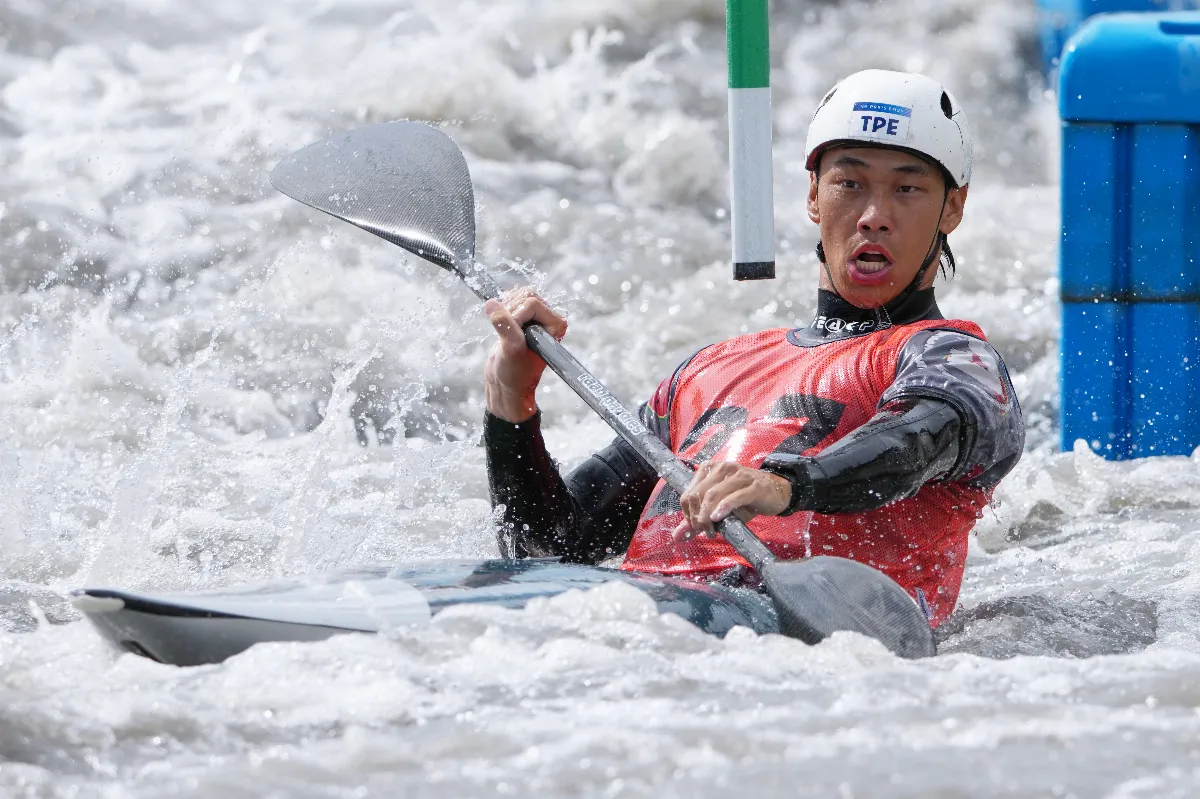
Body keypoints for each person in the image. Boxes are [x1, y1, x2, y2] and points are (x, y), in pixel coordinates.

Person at [481, 70, 1025, 626]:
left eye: (907, 189)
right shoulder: (707, 371)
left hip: (783, 642)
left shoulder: (956, 362)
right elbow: (548, 550)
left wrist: (788, 483)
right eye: (850, 184)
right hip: (637, 619)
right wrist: (511, 402)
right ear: (814, 194)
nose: (874, 216)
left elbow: (919, 439)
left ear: (952, 209)